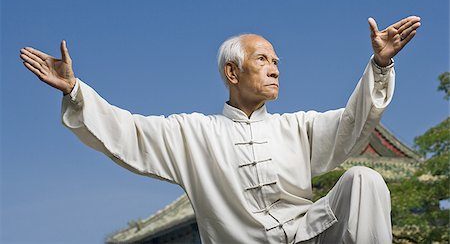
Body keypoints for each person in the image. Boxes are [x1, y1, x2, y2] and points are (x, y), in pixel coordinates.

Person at [20, 16, 421, 244]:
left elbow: (353, 124)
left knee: (365, 180)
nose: (275, 68)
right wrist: (75, 90)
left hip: (309, 238)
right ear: (232, 72)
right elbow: (127, 132)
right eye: (262, 59)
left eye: (277, 61)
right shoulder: (193, 134)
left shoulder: (298, 128)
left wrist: (381, 66)